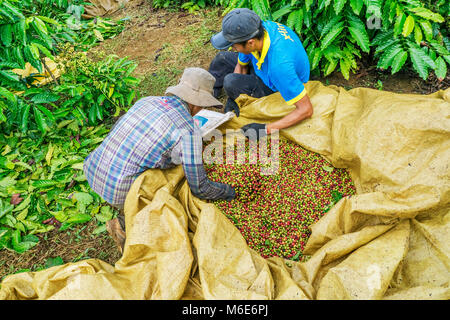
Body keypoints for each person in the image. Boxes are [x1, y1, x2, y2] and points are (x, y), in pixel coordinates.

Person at [83, 67, 236, 252]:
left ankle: (126, 215)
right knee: (172, 191)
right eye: (202, 106)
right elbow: (200, 187)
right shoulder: (188, 130)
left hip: (94, 168)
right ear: (196, 104)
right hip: (120, 191)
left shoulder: (146, 101)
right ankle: (128, 225)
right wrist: (229, 191)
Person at [209, 8, 313, 140]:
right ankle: (213, 93)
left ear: (250, 43)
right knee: (221, 58)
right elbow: (241, 65)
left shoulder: (280, 67)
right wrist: (232, 98)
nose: (232, 49)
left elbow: (306, 109)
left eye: (233, 45)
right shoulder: (257, 29)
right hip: (264, 65)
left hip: (278, 85)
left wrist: (266, 129)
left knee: (230, 82)